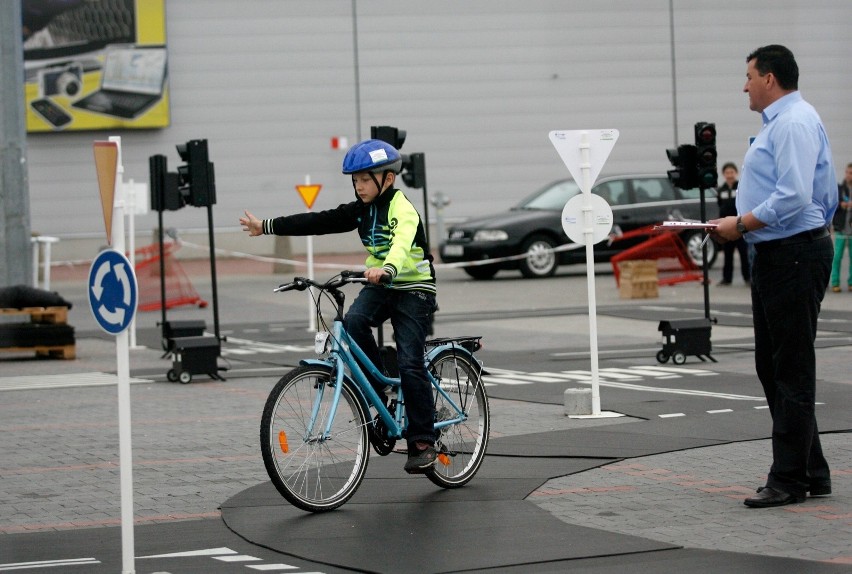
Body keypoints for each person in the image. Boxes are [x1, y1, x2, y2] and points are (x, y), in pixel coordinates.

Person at [240, 139, 439, 474]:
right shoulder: (361, 209)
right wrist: (266, 226)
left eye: (364, 179)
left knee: (409, 360)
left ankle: (423, 441)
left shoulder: (400, 207)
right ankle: (382, 394)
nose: (358, 186)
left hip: (413, 287)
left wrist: (388, 268)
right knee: (354, 322)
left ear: (387, 179)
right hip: (379, 283)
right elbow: (319, 221)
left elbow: (403, 242)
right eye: (355, 180)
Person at [710, 45, 838, 508]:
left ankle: (788, 479)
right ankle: (811, 470)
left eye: (748, 76)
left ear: (769, 78)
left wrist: (739, 224)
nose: (744, 86)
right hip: (782, 254)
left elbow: (795, 196)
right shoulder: (784, 123)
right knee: (776, 367)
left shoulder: (792, 123)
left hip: (794, 255)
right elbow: (809, 196)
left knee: (791, 370)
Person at [716, 162, 751, 285]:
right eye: (727, 173)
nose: (729, 175)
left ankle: (747, 277)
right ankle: (727, 278)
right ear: (723, 174)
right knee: (727, 254)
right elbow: (720, 204)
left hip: (739, 225)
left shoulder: (740, 187)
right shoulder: (721, 190)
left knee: (743, 253)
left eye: (731, 172)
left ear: (736, 173)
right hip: (726, 226)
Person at [830, 163, 852, 292]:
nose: (849, 175)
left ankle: (851, 282)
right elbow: (833, 203)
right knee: (837, 256)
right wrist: (842, 205)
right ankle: (835, 282)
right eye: (848, 172)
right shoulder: (839, 188)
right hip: (840, 228)